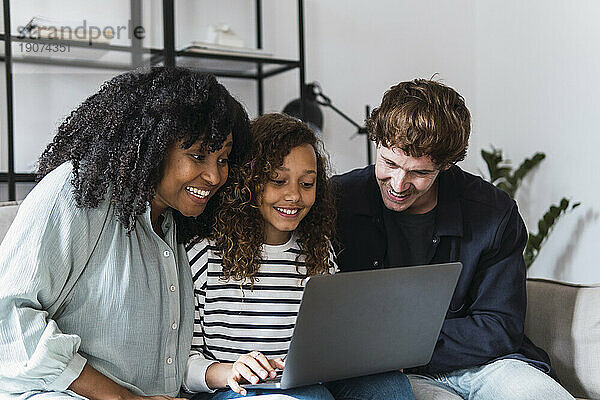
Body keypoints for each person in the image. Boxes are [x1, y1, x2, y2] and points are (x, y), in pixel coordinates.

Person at [0, 67, 251, 400]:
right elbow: (9, 319)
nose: (214, 175)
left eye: (223, 159)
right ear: (152, 144)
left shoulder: (175, 226)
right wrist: (125, 398)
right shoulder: (75, 194)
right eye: (198, 156)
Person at [331, 79, 575, 400]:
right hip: (389, 374)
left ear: (446, 165)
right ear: (377, 143)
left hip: (491, 365)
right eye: (389, 163)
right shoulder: (338, 200)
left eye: (419, 173)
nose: (399, 184)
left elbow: (500, 325)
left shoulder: (494, 212)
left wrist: (401, 346)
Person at [184, 113, 414, 400]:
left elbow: (334, 336)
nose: (294, 195)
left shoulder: (319, 250)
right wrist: (230, 370)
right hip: (233, 389)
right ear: (248, 183)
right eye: (278, 181)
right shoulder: (204, 255)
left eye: (307, 184)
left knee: (390, 387)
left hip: (307, 382)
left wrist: (370, 352)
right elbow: (181, 363)